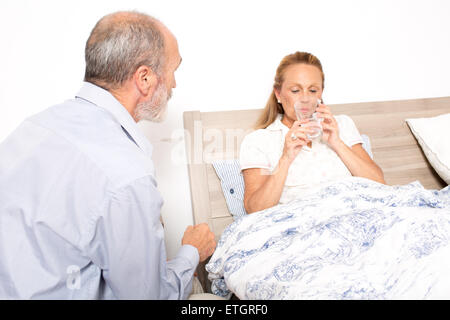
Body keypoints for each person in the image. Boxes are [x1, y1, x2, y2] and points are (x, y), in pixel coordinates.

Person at [0, 11, 217, 299]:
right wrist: (192, 251)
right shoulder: (127, 175)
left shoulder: (34, 127)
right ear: (144, 78)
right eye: (173, 70)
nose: (175, 83)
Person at [240, 52, 385, 214]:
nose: (305, 99)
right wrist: (286, 158)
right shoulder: (258, 141)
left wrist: (337, 142)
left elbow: (380, 184)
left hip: (358, 214)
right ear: (278, 94)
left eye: (313, 90)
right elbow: (254, 209)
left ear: (321, 93)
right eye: (295, 90)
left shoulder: (342, 124)